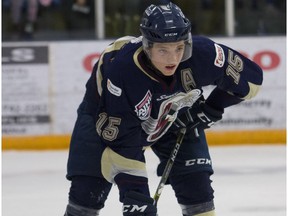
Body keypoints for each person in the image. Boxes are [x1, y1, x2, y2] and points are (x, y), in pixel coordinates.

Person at [64, 2, 263, 216]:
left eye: (179, 47)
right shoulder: (122, 71)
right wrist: (136, 194)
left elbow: (252, 81)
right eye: (163, 50)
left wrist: (212, 107)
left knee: (198, 190)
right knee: (86, 197)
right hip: (105, 119)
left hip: (175, 115)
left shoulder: (203, 54)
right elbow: (121, 139)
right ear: (147, 46)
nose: (173, 58)